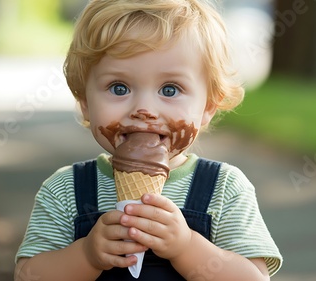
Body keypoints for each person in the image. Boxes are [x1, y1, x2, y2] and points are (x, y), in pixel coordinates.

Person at [14, 0, 282, 280]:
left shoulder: (224, 189)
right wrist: (86, 256)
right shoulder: (66, 190)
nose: (144, 110)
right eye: (119, 88)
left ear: (207, 108)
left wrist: (187, 247)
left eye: (170, 89)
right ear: (84, 102)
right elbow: (27, 276)